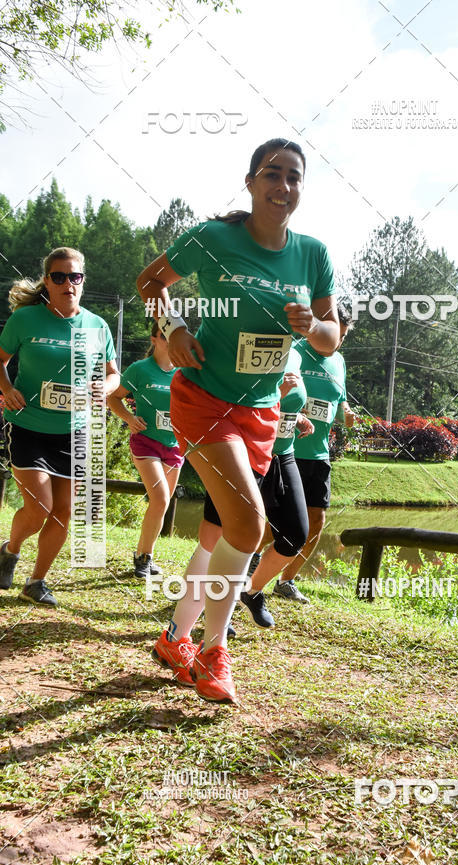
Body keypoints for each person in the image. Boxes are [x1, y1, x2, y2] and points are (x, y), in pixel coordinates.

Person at [137, 137, 339, 703]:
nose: (283, 186)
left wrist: (310, 328)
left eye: (294, 177)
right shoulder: (213, 239)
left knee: (228, 532)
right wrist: (174, 329)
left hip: (261, 412)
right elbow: (150, 283)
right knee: (250, 527)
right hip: (203, 400)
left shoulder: (313, 254)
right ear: (250, 182)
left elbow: (332, 336)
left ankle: (176, 635)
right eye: (272, 174)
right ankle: (213, 650)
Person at [0, 247, 119, 606]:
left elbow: (114, 375)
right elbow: (1, 360)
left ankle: (36, 582)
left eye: (75, 276)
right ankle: (10, 549)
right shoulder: (26, 320)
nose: (68, 283)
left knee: (64, 510)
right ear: (48, 281)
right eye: (59, 276)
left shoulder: (97, 326)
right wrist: (7, 389)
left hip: (75, 430)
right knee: (39, 507)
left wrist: (105, 387)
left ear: (83, 281)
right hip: (29, 425)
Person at [201, 345, 314, 630]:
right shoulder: (249, 343)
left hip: (282, 454)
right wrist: (278, 395)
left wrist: (295, 416)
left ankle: (250, 591)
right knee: (224, 535)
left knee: (295, 535)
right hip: (244, 453)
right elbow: (233, 404)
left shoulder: (297, 354)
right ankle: (214, 607)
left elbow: (284, 404)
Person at [274, 301, 355, 603]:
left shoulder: (340, 362)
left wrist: (346, 413)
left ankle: (286, 581)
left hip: (319, 454)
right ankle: (247, 568)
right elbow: (268, 393)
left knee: (316, 522)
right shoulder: (293, 351)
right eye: (335, 332)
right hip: (284, 449)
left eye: (343, 336)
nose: (337, 341)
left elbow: (340, 399)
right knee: (274, 522)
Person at [107, 321, 184, 578]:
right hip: (146, 442)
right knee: (161, 498)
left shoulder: (185, 373)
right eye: (164, 335)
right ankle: (143, 561)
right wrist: (129, 418)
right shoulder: (141, 369)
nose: (170, 340)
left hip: (175, 446)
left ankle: (144, 555)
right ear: (154, 339)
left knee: (161, 504)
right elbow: (113, 397)